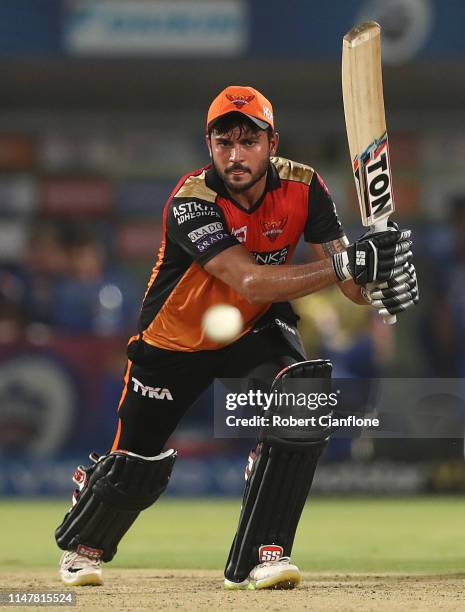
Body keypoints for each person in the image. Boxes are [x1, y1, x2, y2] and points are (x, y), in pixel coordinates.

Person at [55, 85, 419, 589]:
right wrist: (348, 264)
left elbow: (350, 283)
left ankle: (267, 551)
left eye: (249, 141)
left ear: (272, 143)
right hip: (174, 341)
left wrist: (383, 277)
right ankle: (85, 541)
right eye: (224, 142)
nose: (235, 154)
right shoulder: (191, 200)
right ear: (210, 146)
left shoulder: (305, 186)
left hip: (254, 326)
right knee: (134, 463)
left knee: (303, 396)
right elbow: (250, 278)